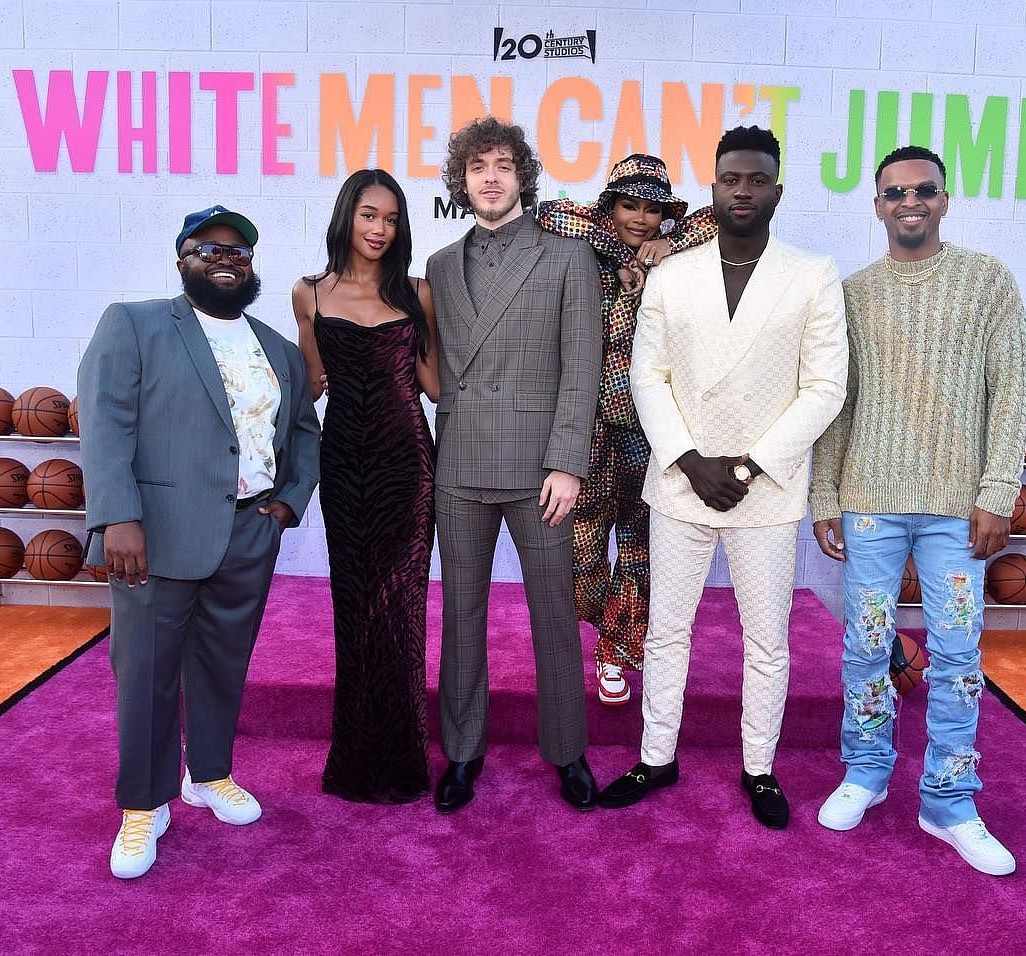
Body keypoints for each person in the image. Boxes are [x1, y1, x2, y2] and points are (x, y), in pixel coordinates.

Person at [596, 126, 848, 830]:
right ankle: (655, 757)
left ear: (777, 190)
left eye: (756, 179)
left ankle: (759, 768)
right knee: (667, 632)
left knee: (766, 639)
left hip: (764, 490)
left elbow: (825, 388)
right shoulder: (673, 277)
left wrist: (747, 465)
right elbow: (648, 376)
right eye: (730, 178)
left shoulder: (811, 273)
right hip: (681, 482)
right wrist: (689, 460)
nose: (743, 189)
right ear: (712, 189)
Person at [79, 205, 321, 879]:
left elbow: (302, 430)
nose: (224, 258)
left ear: (251, 265)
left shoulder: (276, 348)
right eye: (207, 248)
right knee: (147, 674)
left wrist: (284, 507)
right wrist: (117, 517)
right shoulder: (135, 323)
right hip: (153, 535)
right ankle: (143, 805)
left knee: (222, 665)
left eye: (238, 251)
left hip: (248, 534)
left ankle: (208, 774)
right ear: (181, 258)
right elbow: (105, 422)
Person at [809, 145, 1026, 876]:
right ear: (876, 205)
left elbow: (1010, 394)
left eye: (923, 190)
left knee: (960, 657)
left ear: (944, 198)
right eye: (894, 192)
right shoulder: (852, 293)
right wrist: (826, 494)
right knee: (867, 649)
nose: (910, 202)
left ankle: (949, 800)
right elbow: (836, 404)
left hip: (956, 512)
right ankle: (867, 773)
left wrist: (997, 493)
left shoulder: (987, 282)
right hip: (870, 502)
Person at [425, 117, 604, 813]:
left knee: (553, 615)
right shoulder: (441, 264)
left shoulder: (567, 258)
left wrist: (567, 464)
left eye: (502, 165)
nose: (490, 178)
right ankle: (463, 754)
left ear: (522, 177)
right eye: (477, 168)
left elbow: (581, 370)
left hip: (540, 473)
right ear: (461, 182)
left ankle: (567, 752)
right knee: (462, 617)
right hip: (460, 466)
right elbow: (440, 369)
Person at [535, 154, 717, 706]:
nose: (640, 218)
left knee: (641, 548)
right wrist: (624, 256)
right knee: (580, 555)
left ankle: (615, 651)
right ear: (610, 205)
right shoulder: (583, 247)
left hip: (650, 430)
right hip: (588, 429)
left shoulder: (678, 254)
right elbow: (549, 210)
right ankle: (602, 620)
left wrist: (665, 245)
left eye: (651, 209)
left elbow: (713, 219)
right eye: (628, 204)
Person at [292, 169, 439, 803]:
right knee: (354, 609)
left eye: (392, 219)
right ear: (346, 217)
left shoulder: (417, 293)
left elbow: (437, 387)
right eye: (369, 216)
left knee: (399, 605)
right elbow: (311, 385)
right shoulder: (308, 294)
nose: (380, 229)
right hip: (343, 465)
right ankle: (354, 761)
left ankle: (404, 763)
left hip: (407, 466)